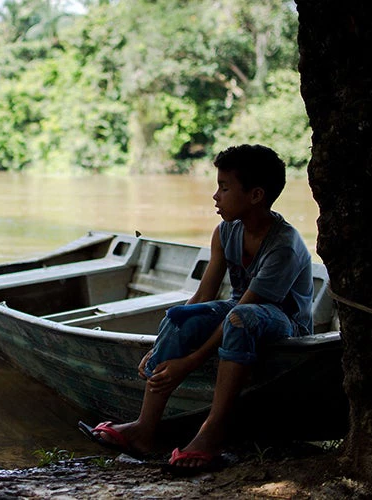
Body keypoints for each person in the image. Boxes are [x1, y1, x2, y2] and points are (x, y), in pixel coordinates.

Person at [79, 144, 314, 473]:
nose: (215, 196)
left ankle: (212, 433)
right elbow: (203, 294)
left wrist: (188, 363)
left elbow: (246, 308)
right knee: (181, 315)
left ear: (256, 195)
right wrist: (161, 345)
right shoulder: (225, 231)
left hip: (286, 326)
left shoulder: (284, 245)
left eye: (224, 187)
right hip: (239, 314)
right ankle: (145, 430)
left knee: (240, 318)